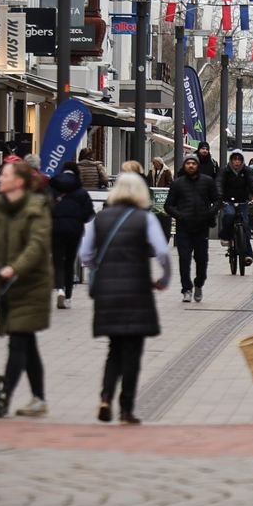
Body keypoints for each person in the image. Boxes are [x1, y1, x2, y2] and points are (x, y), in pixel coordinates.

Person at [79, 171, 172, 423]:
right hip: (137, 291)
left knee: (114, 350)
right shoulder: (145, 219)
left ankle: (105, 397)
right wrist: (164, 279)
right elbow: (162, 252)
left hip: (107, 293)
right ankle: (126, 409)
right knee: (132, 353)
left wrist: (97, 266)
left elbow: (85, 254)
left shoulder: (100, 219)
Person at [0, 159, 54, 418]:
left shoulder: (37, 208)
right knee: (27, 343)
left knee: (18, 339)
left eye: (4, 175)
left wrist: (14, 268)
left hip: (31, 286)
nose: (0, 178)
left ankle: (3, 396)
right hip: (5, 284)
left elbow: (36, 246)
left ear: (19, 181)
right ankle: (39, 399)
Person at [163, 152, 218, 302]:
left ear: (198, 165)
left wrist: (210, 213)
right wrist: (180, 215)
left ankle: (199, 284)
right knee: (184, 260)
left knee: (202, 259)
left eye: (193, 163)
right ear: (184, 166)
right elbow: (168, 206)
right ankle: (186, 289)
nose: (191, 165)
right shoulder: (177, 184)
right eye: (188, 163)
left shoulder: (207, 182)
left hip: (201, 227)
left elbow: (217, 200)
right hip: (184, 228)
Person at [49, 166, 95, 306]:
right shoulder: (81, 192)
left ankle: (59, 289)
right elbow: (89, 213)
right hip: (74, 230)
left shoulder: (52, 189)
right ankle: (68, 297)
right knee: (69, 262)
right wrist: (79, 219)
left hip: (55, 229)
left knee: (57, 260)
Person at [219, 151, 253, 274]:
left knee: (245, 226)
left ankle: (248, 255)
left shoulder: (247, 171)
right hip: (228, 201)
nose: (236, 162)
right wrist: (219, 197)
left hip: (242, 202)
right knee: (229, 215)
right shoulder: (225, 171)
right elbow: (218, 184)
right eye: (234, 159)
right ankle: (226, 236)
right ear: (231, 160)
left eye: (239, 159)